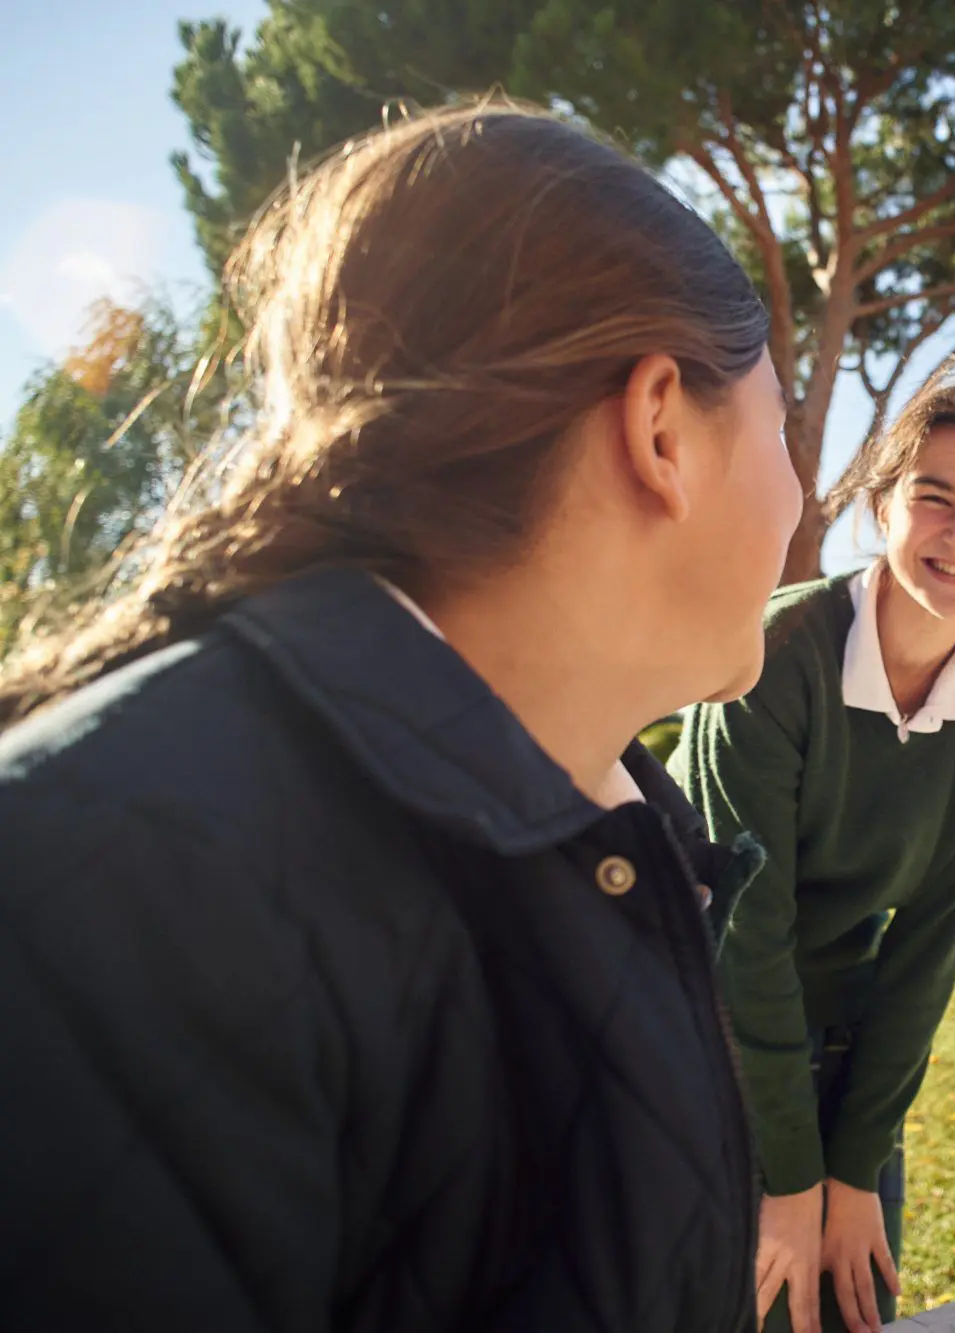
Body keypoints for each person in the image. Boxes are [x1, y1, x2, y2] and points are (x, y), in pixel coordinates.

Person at [0, 103, 798, 1332]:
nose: (800, 500)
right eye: (784, 430)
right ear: (658, 429)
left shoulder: (619, 825)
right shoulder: (111, 881)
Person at [672, 368, 955, 1333]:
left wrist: (853, 1169)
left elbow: (930, 940)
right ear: (880, 507)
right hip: (698, 1035)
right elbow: (741, 934)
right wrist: (793, 1178)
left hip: (843, 1046)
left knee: (849, 1301)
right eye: (934, 498)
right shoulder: (772, 653)